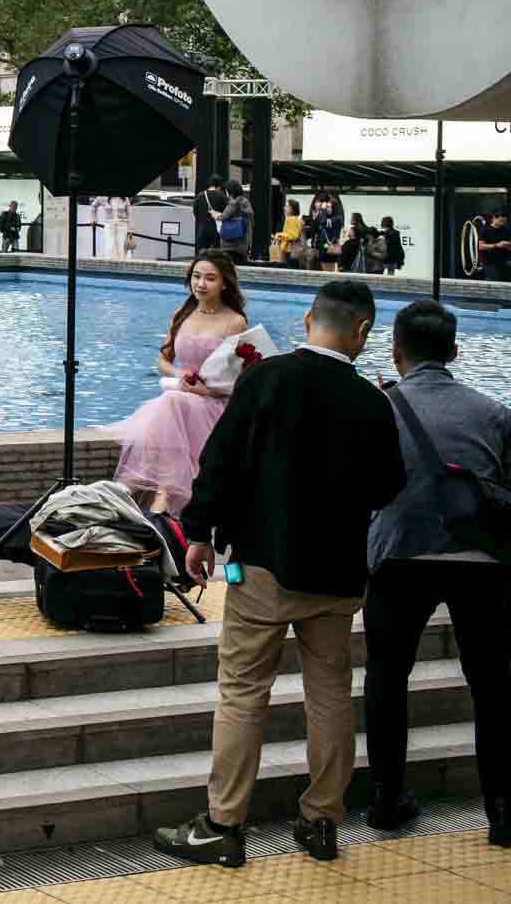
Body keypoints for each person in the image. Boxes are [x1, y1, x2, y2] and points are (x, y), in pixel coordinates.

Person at [154, 279, 406, 869]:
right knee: (330, 696)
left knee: (242, 691)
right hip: (339, 574)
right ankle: (321, 821)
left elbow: (220, 461)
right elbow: (389, 487)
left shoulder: (265, 378)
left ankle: (224, 823)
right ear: (363, 332)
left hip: (263, 564)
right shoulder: (371, 400)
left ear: (308, 320)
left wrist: (199, 534)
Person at [362, 301, 511, 846]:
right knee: (493, 686)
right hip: (481, 560)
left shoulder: (379, 407)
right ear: (454, 351)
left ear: (395, 349)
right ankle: (502, 810)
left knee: (386, 676)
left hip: (399, 556)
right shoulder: (493, 411)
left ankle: (384, 799)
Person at [111, 254, 251, 517]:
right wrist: (179, 373)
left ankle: (152, 489)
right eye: (197, 276)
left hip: (215, 400)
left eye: (210, 278)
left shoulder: (235, 321)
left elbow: (239, 376)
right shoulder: (182, 313)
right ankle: (159, 492)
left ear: (224, 284)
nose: (201, 283)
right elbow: (163, 360)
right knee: (172, 403)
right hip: (182, 393)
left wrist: (207, 389)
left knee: (170, 403)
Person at [482, 203, 511, 282]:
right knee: (494, 281)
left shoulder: (507, 230)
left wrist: (507, 245)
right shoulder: (486, 230)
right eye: (501, 220)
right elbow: (480, 246)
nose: (503, 222)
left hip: (504, 262)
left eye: (504, 220)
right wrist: (496, 245)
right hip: (490, 263)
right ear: (494, 218)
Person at [270, 200, 304, 267]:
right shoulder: (294, 219)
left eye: (287, 206)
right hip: (289, 251)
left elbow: (293, 235)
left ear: (292, 209)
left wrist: (279, 235)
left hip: (290, 250)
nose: (284, 208)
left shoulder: (292, 219)